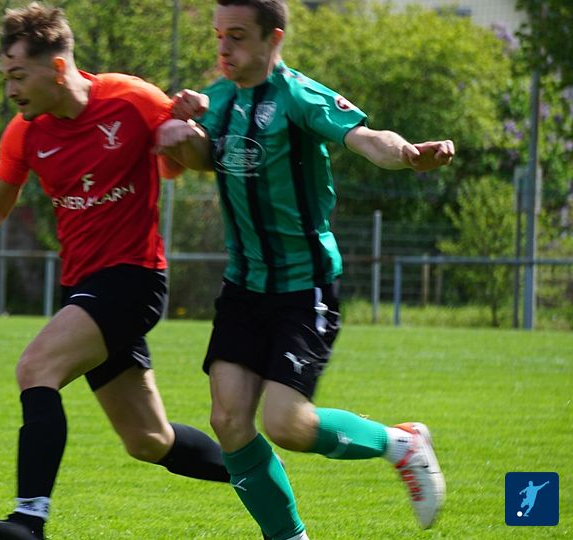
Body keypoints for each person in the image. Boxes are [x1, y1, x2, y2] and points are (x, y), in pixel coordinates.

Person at [0, 4, 232, 540]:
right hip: (83, 289)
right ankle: (255, 472)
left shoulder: (130, 99)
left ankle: (29, 520)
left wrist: (189, 128)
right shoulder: (26, 133)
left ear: (56, 68)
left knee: (36, 367)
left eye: (18, 76)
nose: (10, 90)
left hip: (133, 280)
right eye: (5, 77)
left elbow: (198, 159)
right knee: (149, 440)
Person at [156, 1, 452, 538]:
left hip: (303, 286)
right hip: (243, 286)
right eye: (219, 36)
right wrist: (180, 133)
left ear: (273, 38)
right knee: (228, 420)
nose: (224, 48)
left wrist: (409, 155)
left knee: (286, 424)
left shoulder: (299, 96)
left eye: (237, 36)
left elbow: (366, 138)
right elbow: (199, 158)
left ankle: (402, 443)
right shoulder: (217, 100)